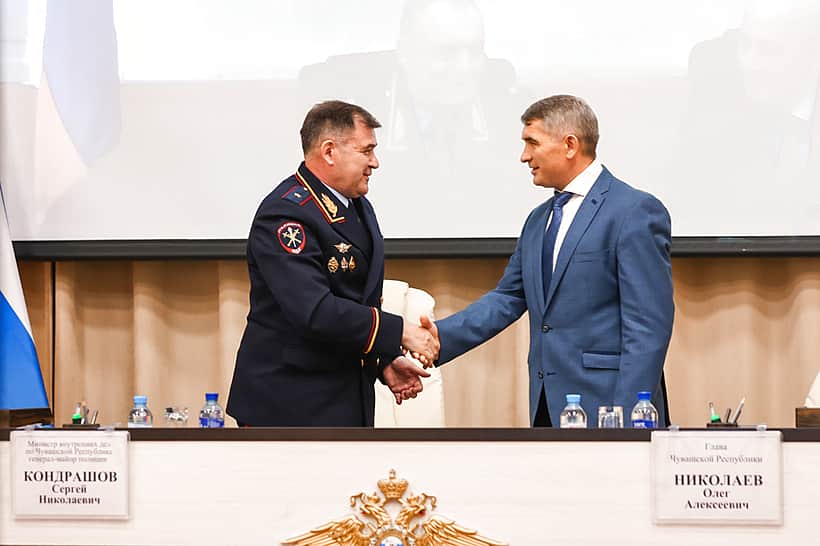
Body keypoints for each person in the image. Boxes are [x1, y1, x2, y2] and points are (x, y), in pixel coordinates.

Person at [429, 95, 675, 427]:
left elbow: (647, 326)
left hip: (611, 411)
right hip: (548, 407)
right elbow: (508, 297)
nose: (524, 156)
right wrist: (436, 339)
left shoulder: (634, 211)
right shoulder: (538, 219)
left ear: (570, 145)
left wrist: (630, 419)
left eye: (532, 143)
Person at [227, 100, 437, 427]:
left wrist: (383, 360)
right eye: (366, 151)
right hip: (288, 404)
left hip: (342, 396)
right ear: (329, 151)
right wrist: (400, 332)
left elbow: (357, 298)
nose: (375, 162)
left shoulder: (356, 204)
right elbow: (315, 311)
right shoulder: (285, 214)